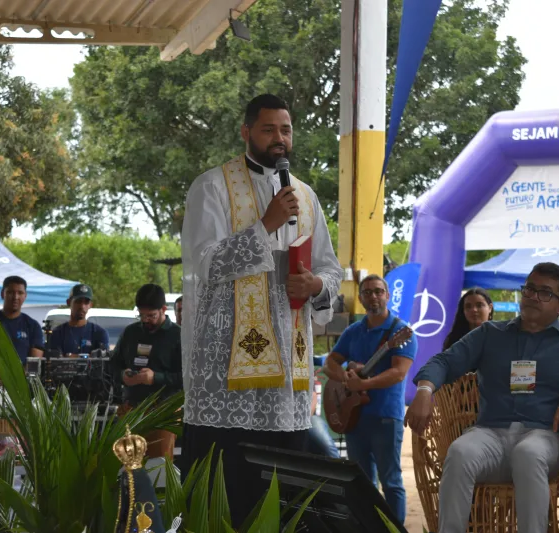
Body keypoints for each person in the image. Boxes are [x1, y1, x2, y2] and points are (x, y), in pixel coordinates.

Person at [180, 93, 342, 526]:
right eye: (269, 129)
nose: (279, 138)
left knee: (283, 501)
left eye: (285, 129)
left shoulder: (305, 196)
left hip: (287, 381)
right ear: (246, 131)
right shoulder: (211, 186)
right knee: (228, 497)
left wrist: (315, 284)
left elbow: (330, 268)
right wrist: (265, 225)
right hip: (228, 381)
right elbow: (206, 265)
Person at [405, 262, 559, 533]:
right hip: (489, 434)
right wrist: (425, 390)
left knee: (528, 453)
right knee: (460, 451)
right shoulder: (490, 334)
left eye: (544, 292)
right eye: (529, 288)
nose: (532, 296)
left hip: (545, 437)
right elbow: (443, 362)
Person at [323, 274, 417, 523]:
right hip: (354, 418)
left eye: (378, 291)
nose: (373, 296)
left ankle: (394, 528)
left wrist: (364, 383)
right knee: (361, 481)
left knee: (391, 481)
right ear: (361, 298)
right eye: (367, 292)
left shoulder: (400, 332)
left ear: (387, 295)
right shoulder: (354, 331)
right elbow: (330, 362)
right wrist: (344, 378)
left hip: (385, 416)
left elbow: (398, 373)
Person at [111, 284, 182, 460]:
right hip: (130, 409)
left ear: (164, 309)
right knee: (128, 468)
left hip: (163, 413)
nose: (146, 320)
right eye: (142, 315)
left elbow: (186, 378)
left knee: (158, 469)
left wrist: (155, 378)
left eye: (151, 315)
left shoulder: (177, 335)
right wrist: (122, 376)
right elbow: (112, 365)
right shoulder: (131, 332)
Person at [0, 276, 44, 390]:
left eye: (20, 293)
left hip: (21, 390)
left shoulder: (33, 326)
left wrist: (19, 382)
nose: (15, 297)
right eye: (10, 292)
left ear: (25, 296)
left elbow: (34, 361)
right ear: (3, 294)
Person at [48, 284, 109, 356]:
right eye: (78, 301)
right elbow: (55, 361)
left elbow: (104, 359)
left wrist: (70, 356)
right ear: (69, 302)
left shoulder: (99, 333)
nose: (82, 306)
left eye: (86, 302)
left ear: (90, 305)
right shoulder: (58, 333)